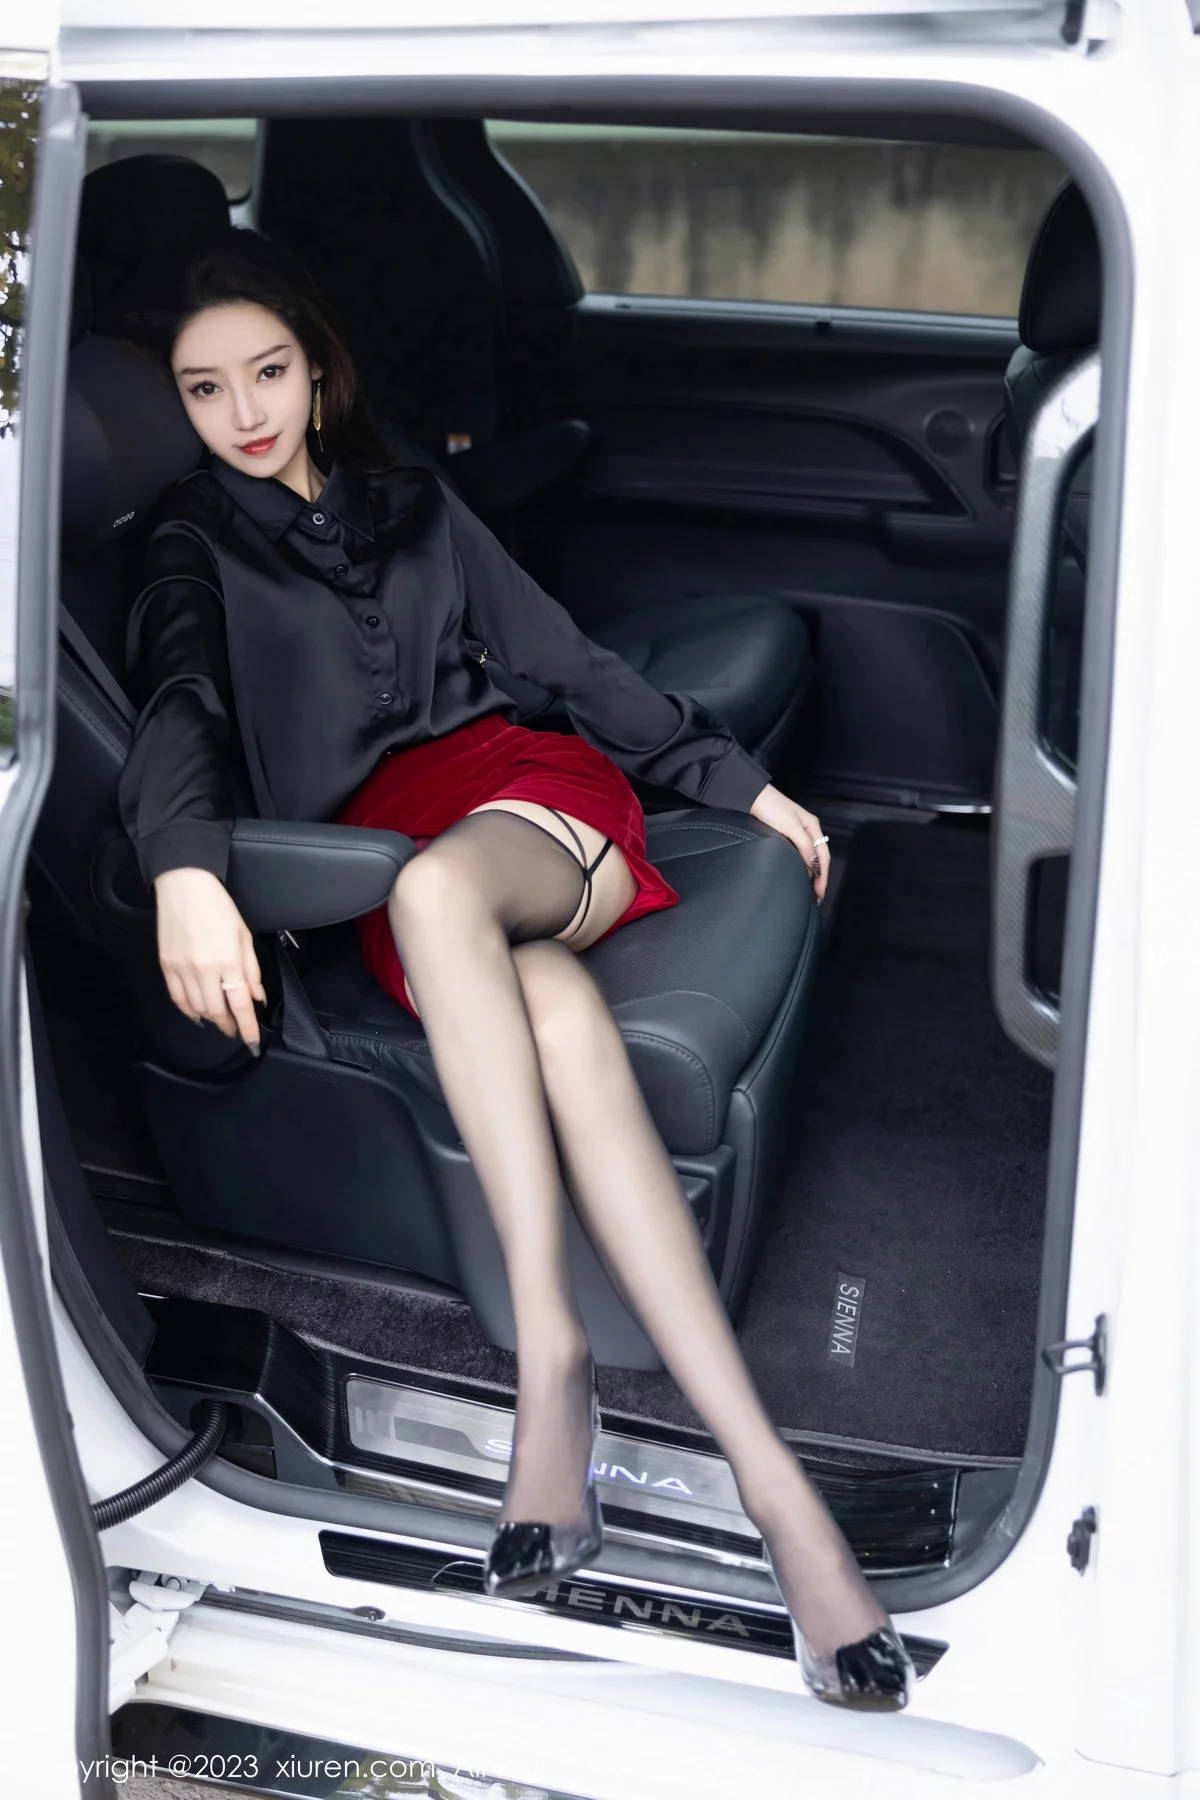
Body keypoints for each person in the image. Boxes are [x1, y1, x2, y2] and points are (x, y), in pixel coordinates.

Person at [118, 229, 913, 1711]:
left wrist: (738, 784)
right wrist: (182, 866)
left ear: (317, 370)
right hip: (399, 885)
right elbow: (178, 702)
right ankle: (779, 1492)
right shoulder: (187, 545)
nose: (245, 413)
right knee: (547, 1009)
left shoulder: (417, 507)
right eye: (204, 388)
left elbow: (566, 664)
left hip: (532, 814)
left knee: (443, 889)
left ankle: (552, 1359)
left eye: (269, 372)